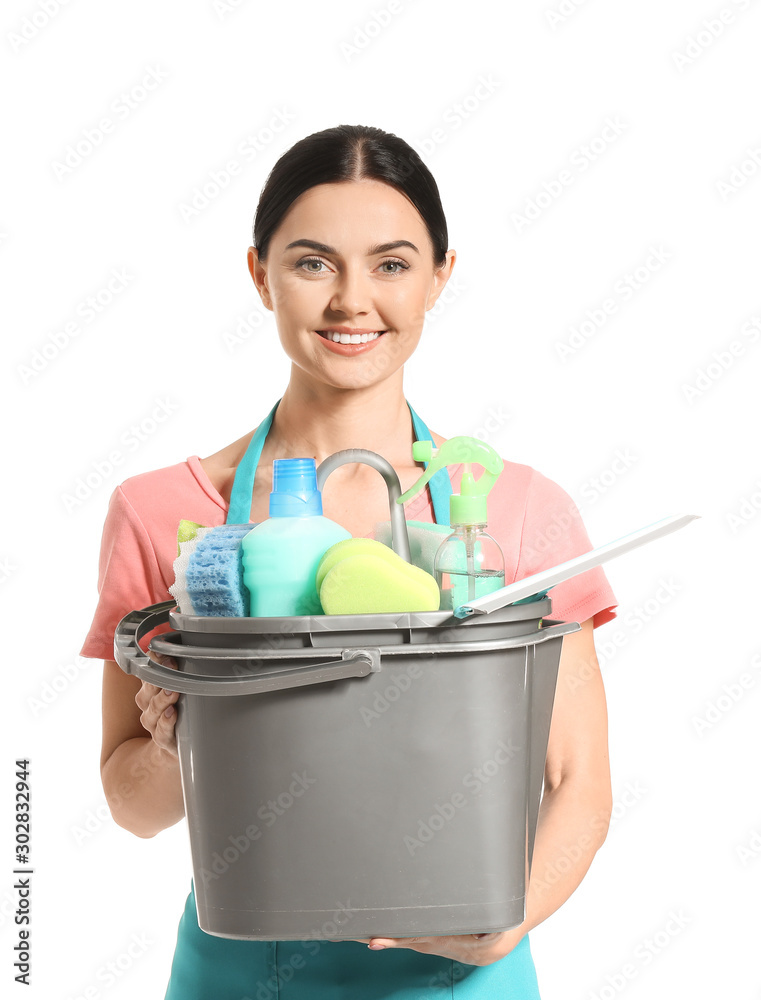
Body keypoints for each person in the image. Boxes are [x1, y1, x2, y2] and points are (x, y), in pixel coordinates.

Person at [81, 123, 618, 999]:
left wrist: (502, 927)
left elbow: (579, 786)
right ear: (259, 275)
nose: (351, 301)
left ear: (441, 274)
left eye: (393, 264)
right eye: (313, 263)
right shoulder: (166, 512)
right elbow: (131, 807)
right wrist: (185, 730)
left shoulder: (519, 511)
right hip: (245, 970)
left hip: (461, 972)